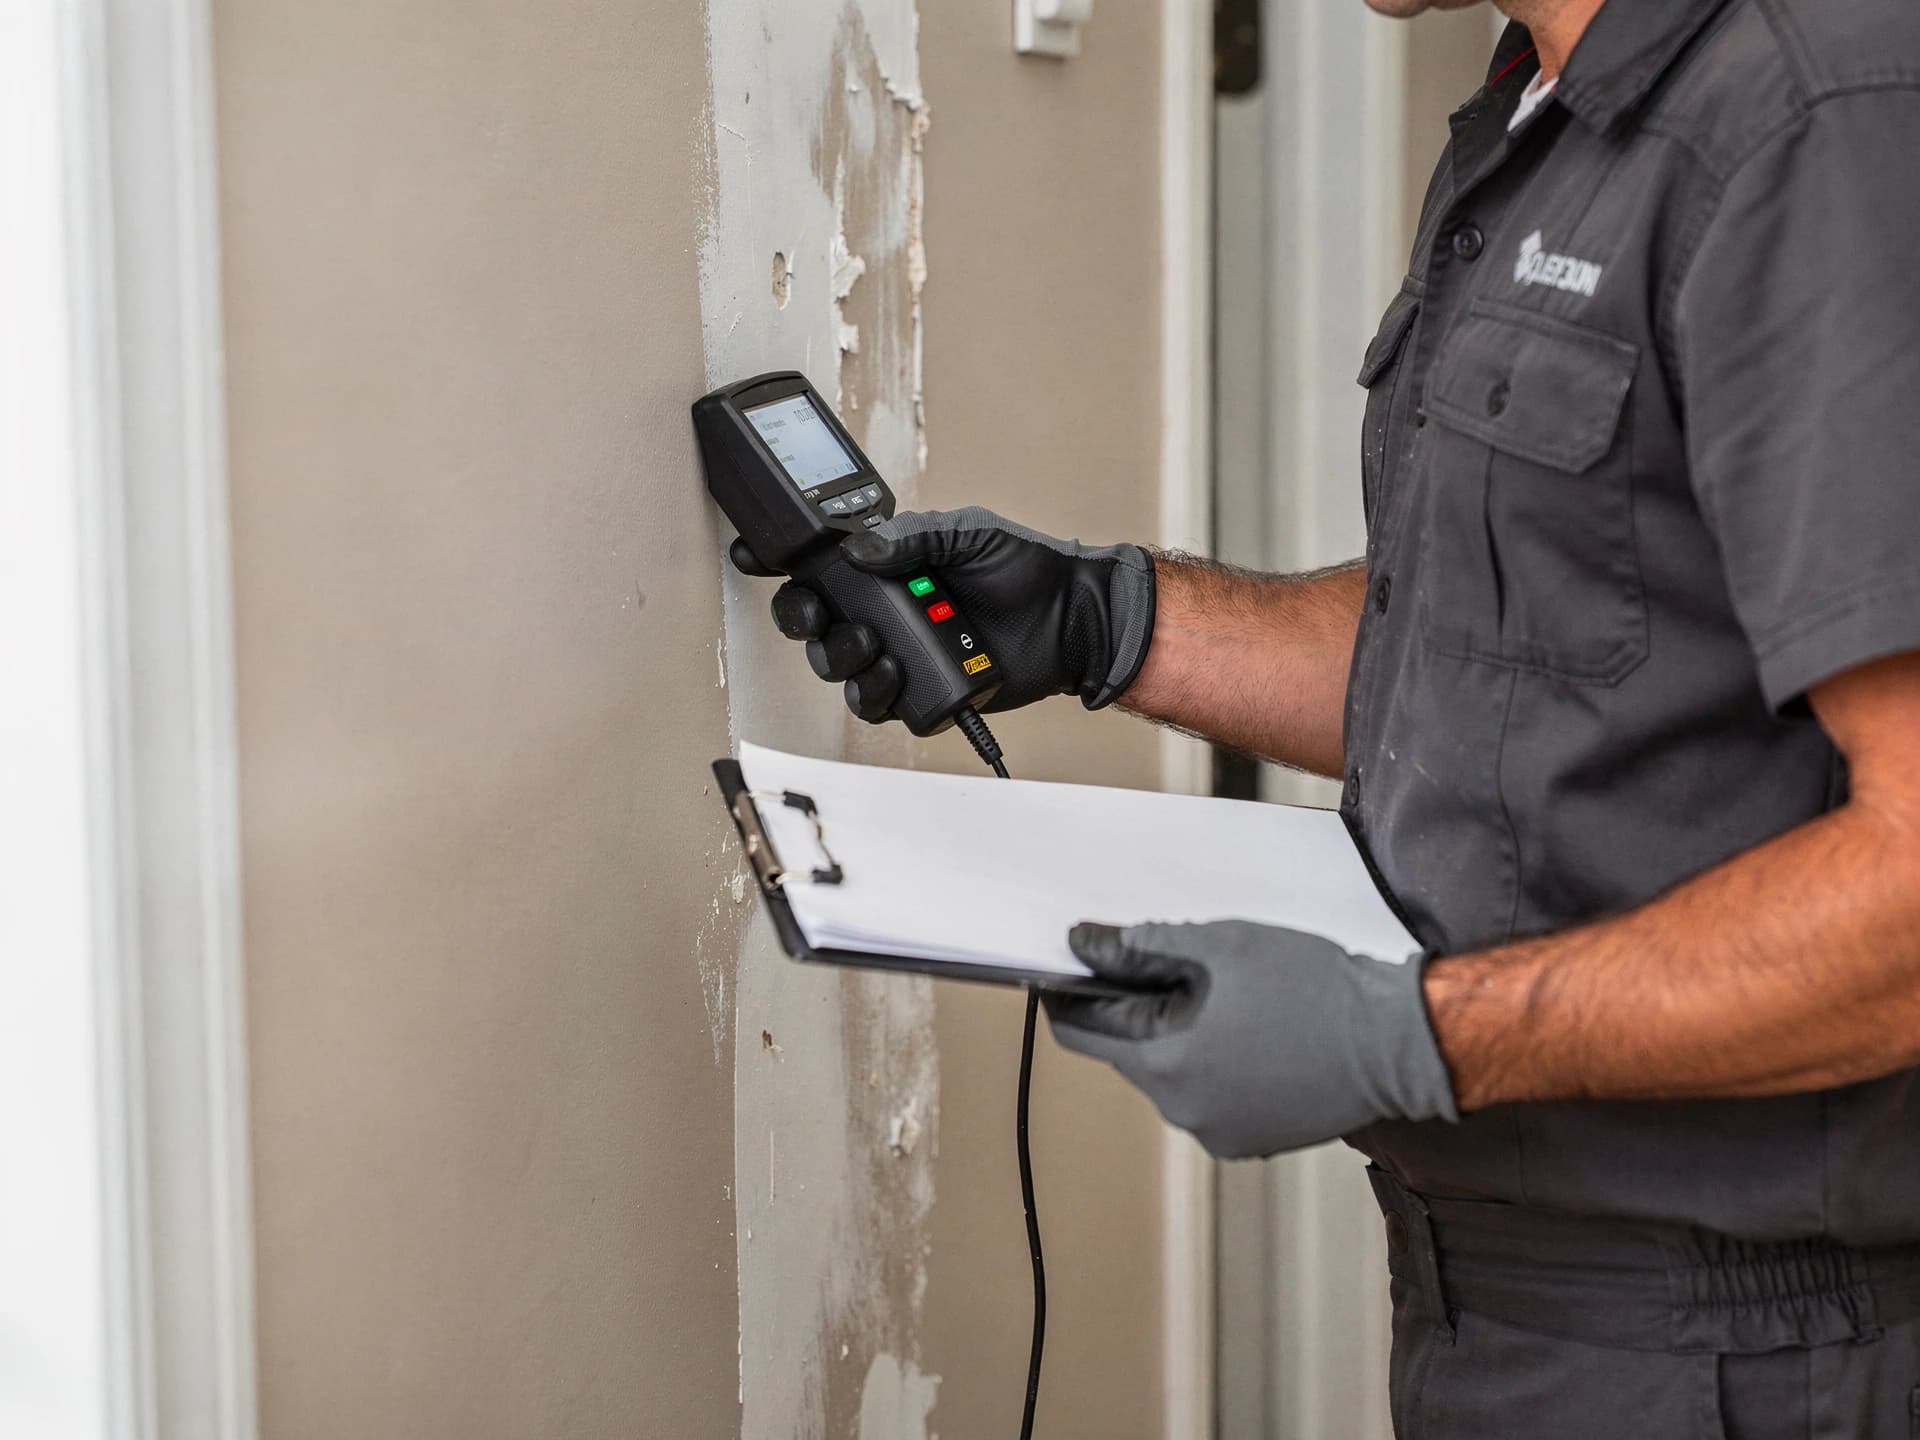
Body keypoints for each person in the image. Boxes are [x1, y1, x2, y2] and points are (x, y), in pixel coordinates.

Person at [740, 0, 1920, 1432]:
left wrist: (1412, 1036)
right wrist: (1109, 619)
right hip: (1506, 1308)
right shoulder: (1543, 118)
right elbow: (1532, 654)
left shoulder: (1815, 115)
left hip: (1762, 1343)